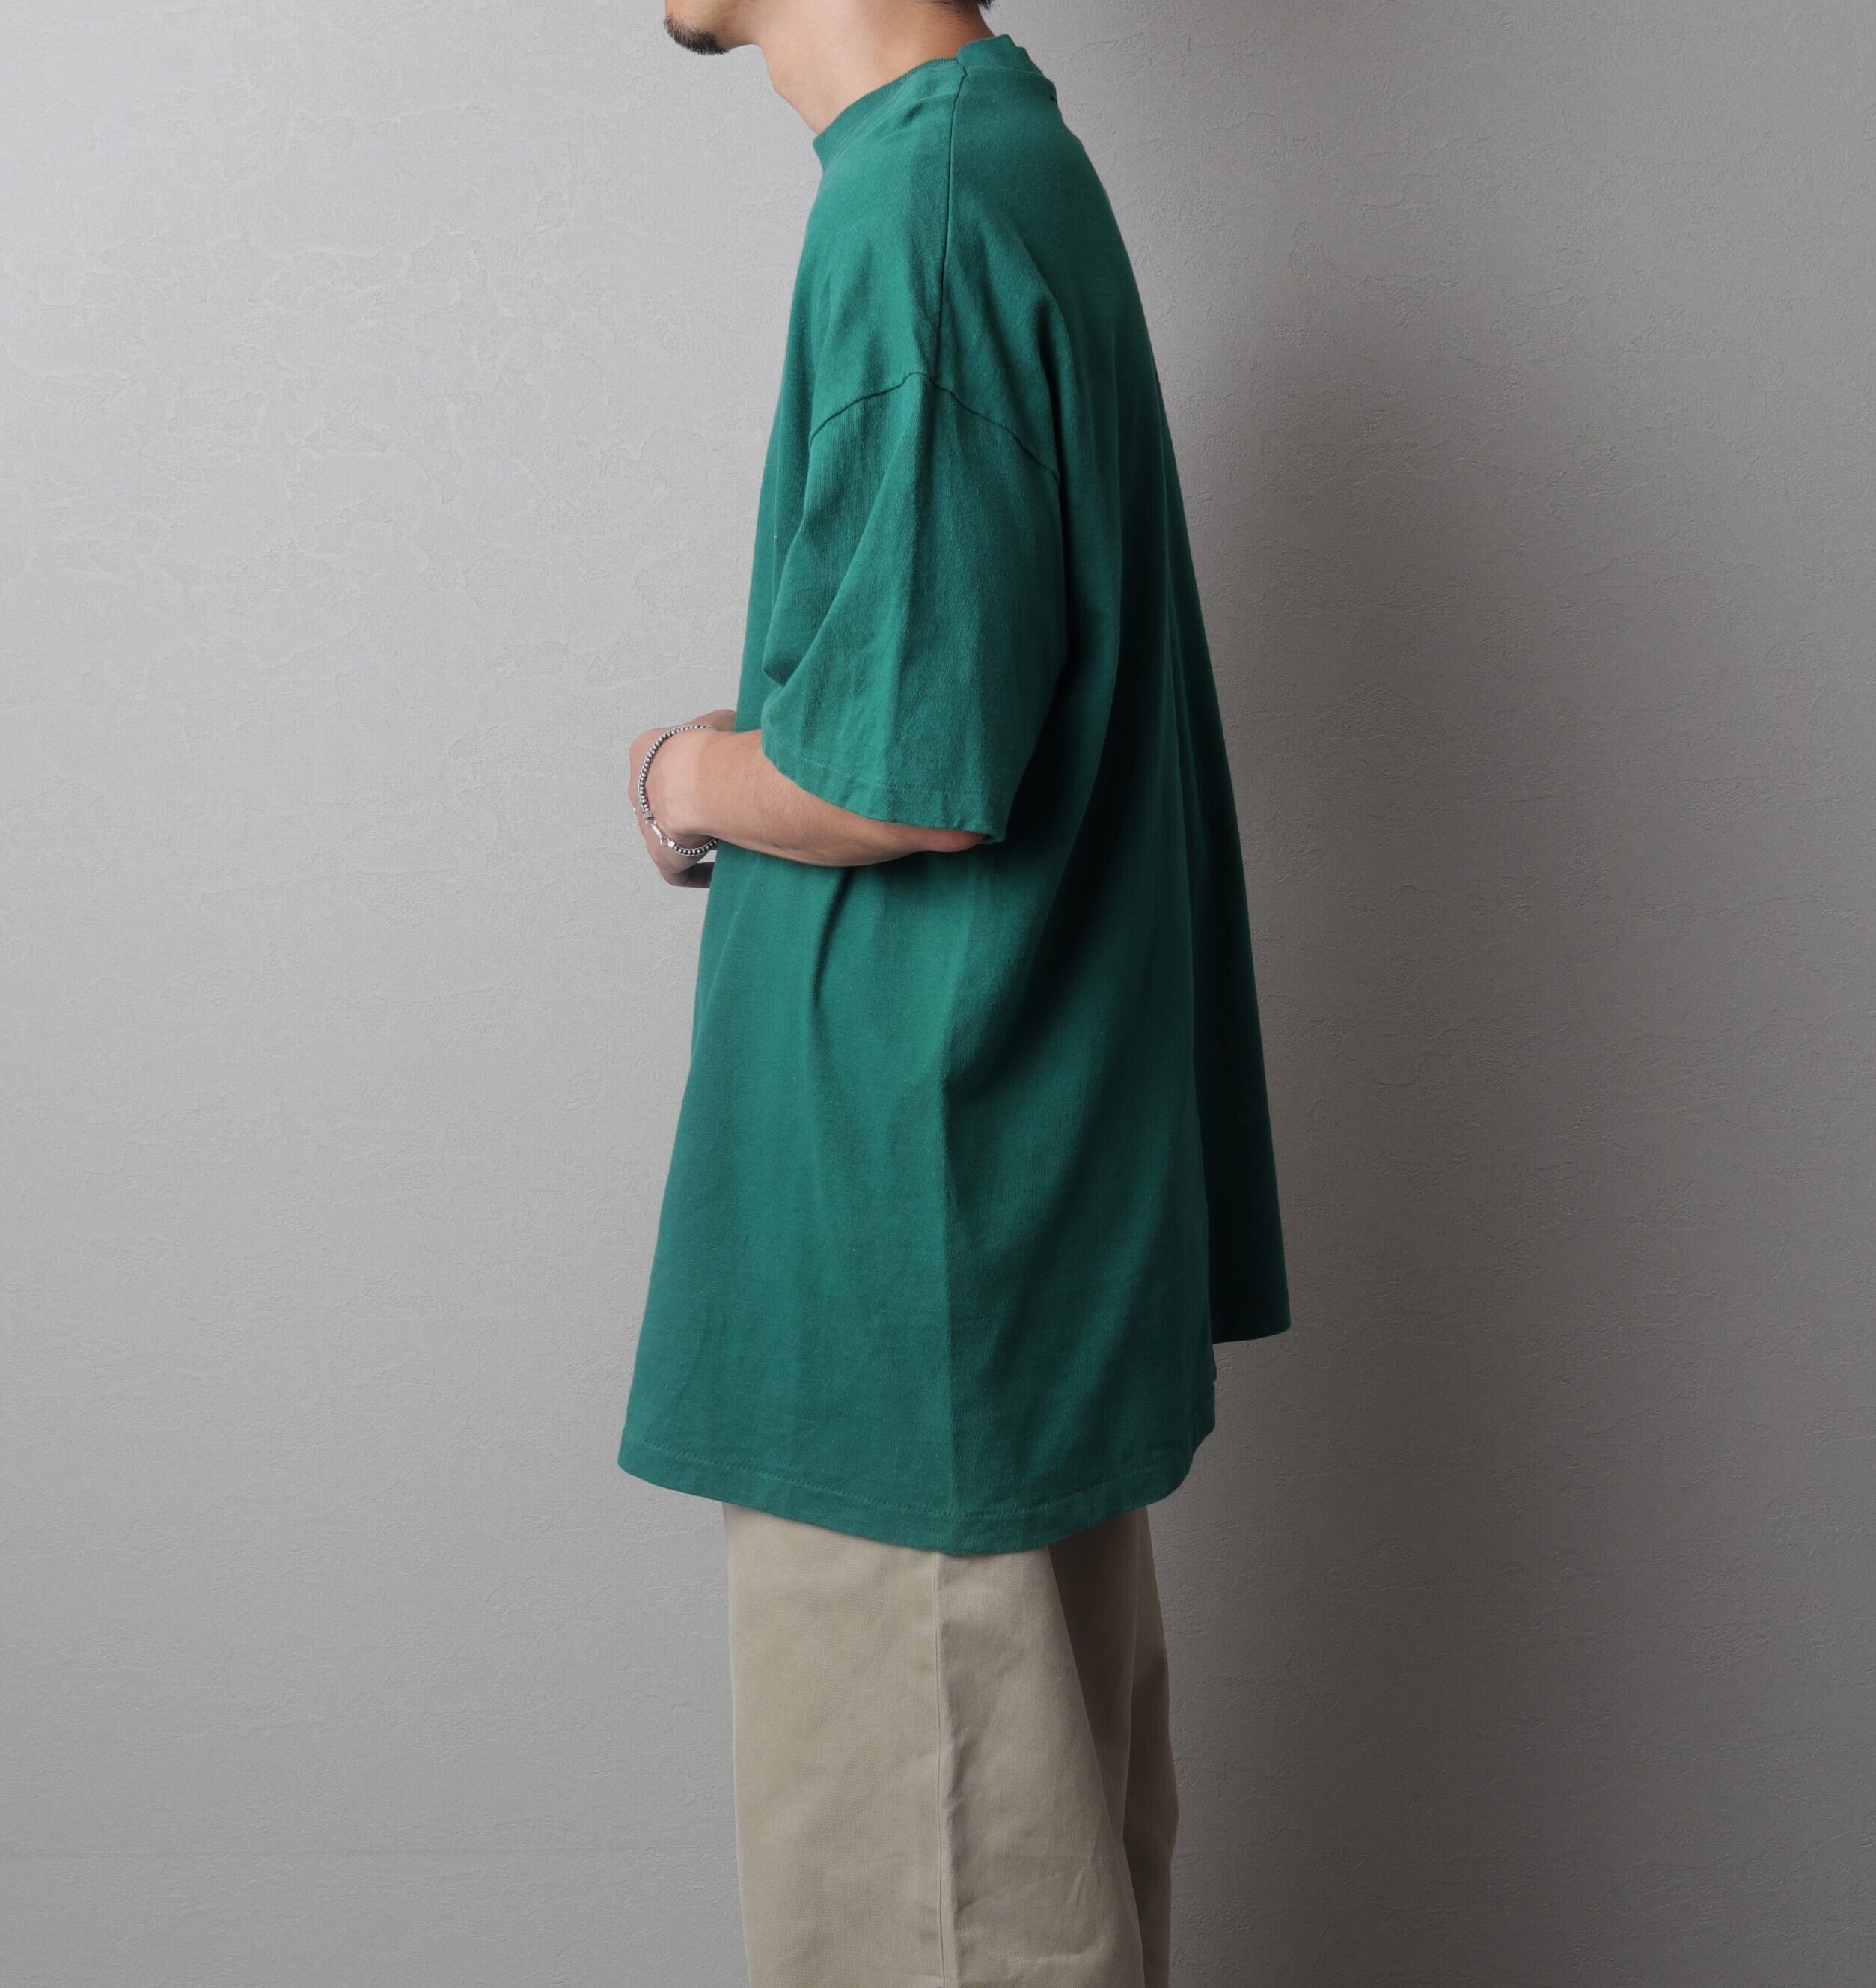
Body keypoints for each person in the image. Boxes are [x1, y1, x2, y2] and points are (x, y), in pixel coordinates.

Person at [616, 4, 1291, 1982]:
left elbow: (896, 773)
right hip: (989, 1231)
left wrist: (683, 773)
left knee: (928, 1919)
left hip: (911, 1260)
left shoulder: (916, 208)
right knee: (1029, 1896)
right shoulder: (1000, 170)